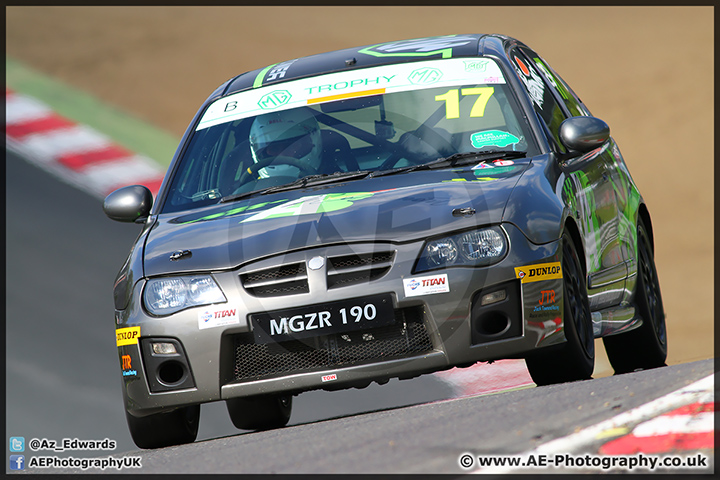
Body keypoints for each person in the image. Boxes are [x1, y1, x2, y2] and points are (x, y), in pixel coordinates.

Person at [248, 108, 323, 177]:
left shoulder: (333, 177)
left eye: (291, 147)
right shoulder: (249, 189)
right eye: (274, 149)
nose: (282, 155)